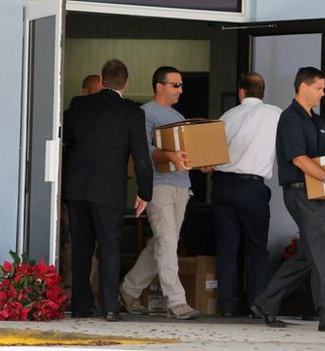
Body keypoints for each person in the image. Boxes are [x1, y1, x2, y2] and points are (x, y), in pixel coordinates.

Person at [250, 67, 325, 334]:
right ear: (304, 87)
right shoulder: (290, 119)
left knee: (308, 255)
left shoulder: (318, 122)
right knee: (320, 255)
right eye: (319, 88)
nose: (323, 93)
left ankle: (265, 302)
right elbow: (298, 158)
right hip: (300, 193)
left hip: (319, 193)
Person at [62, 59, 153, 322]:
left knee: (81, 247)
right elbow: (141, 157)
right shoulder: (132, 114)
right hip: (108, 189)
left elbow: (64, 137)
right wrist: (144, 192)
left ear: (101, 80)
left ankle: (80, 305)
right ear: (125, 84)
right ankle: (110, 307)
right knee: (109, 247)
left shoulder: (79, 105)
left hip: (77, 186)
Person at [118, 66, 200, 320]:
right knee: (167, 242)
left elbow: (184, 153)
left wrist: (201, 161)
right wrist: (170, 156)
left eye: (181, 85)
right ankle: (176, 301)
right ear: (159, 86)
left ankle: (129, 290)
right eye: (176, 85)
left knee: (162, 243)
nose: (181, 90)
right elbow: (144, 151)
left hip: (181, 184)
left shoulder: (177, 115)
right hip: (159, 184)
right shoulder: (145, 113)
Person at [211, 72, 282, 317]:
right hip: (252, 188)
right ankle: (257, 305)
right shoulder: (276, 115)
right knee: (257, 249)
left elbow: (210, 156)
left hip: (222, 185)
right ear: (262, 92)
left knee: (227, 248)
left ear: (241, 92)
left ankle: (227, 306)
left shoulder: (226, 116)